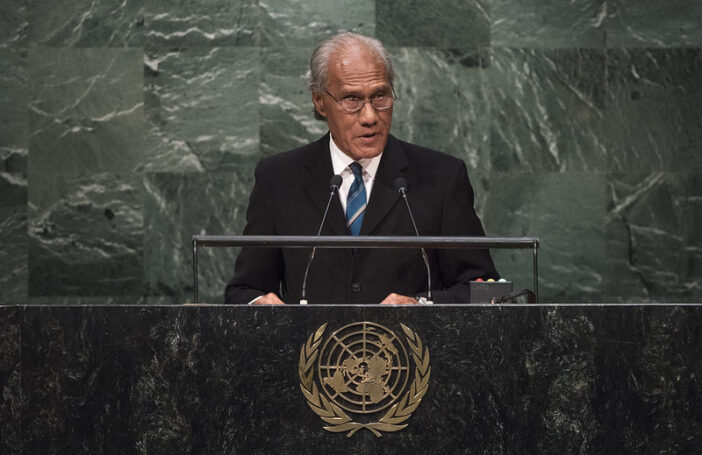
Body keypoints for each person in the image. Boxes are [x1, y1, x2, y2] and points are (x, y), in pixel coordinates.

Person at [225, 32, 497, 305]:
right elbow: (244, 290)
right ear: (319, 101)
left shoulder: (442, 178)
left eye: (380, 96)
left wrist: (423, 307)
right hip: (310, 347)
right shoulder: (278, 179)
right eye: (351, 99)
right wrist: (258, 305)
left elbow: (486, 291)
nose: (370, 116)